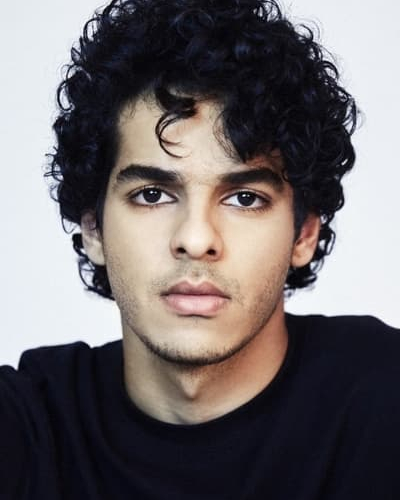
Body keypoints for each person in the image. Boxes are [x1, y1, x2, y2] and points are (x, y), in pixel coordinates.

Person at [1, 0, 399, 498]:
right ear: (94, 229)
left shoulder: (385, 400)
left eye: (245, 198)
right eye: (152, 195)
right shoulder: (30, 425)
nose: (196, 239)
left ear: (303, 234)